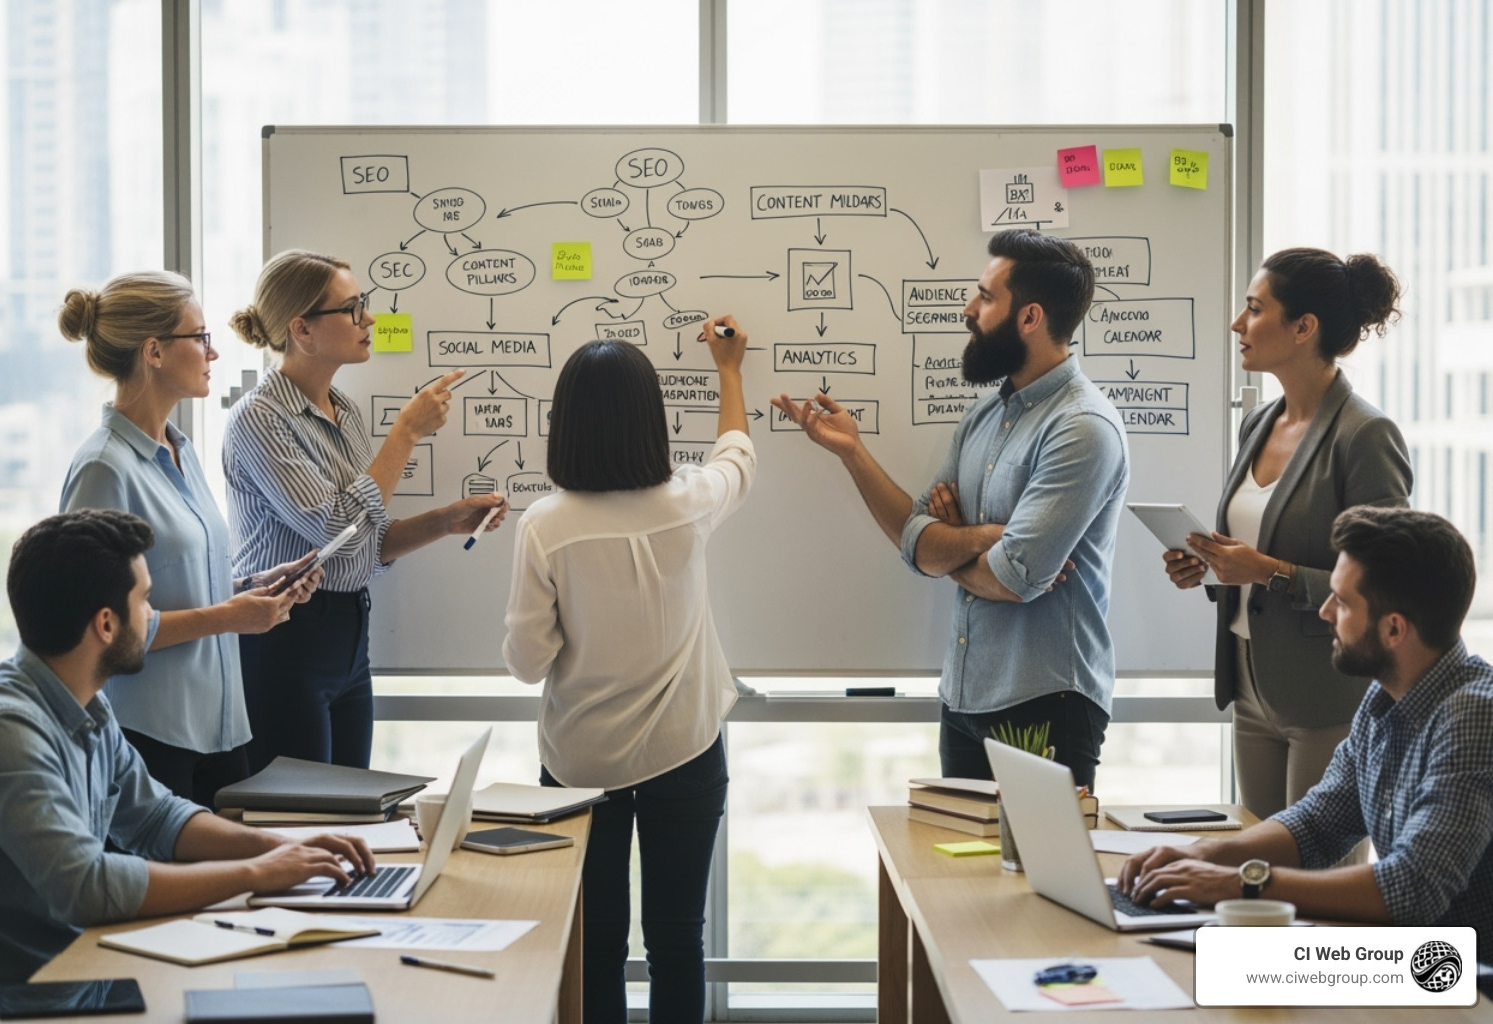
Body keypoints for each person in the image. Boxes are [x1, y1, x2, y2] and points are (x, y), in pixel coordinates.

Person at [0, 510, 375, 1024]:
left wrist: (283, 848)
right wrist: (255, 874)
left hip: (81, 972)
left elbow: (156, 818)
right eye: (145, 601)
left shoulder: (84, 702)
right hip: (12, 998)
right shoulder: (1, 731)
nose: (152, 615)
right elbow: (85, 887)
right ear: (106, 624)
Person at [773, 229, 1128, 787]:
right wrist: (980, 535)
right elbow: (917, 539)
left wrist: (955, 543)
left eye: (986, 297)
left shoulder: (1081, 428)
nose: (969, 310)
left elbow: (1015, 580)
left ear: (1029, 317)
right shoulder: (986, 416)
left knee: (1034, 876)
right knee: (954, 874)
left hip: (1045, 700)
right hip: (964, 696)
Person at [503, 317, 754, 1024]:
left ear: (565, 425)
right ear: (653, 420)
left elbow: (527, 662)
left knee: (596, 942)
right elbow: (738, 455)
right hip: (687, 749)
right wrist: (728, 371)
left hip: (581, 762)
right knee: (679, 939)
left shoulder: (546, 525)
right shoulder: (690, 501)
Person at [1122, 506, 1493, 962]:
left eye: (1342, 601)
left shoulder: (1475, 716)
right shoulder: (1383, 703)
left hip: (1467, 983)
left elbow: (1410, 889)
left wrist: (1240, 884)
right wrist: (1204, 854)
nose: (1324, 611)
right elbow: (1317, 825)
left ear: (1394, 628)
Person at [226, 249, 506, 772]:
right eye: (352, 309)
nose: (369, 319)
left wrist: (445, 521)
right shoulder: (258, 419)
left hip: (349, 634)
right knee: (301, 825)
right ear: (302, 330)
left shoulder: (344, 409)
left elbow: (365, 543)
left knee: (352, 812)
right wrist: (406, 433)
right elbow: (333, 527)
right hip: (287, 636)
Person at [1161, 248, 1411, 821]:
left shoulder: (1365, 435)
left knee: (1317, 887)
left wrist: (1268, 571)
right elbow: (1252, 549)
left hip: (1328, 696)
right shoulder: (1258, 422)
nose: (1236, 324)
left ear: (1304, 328)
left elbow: (1387, 588)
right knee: (1263, 881)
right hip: (1250, 683)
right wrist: (1210, 568)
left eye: (1253, 308)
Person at [57, 271, 321, 807]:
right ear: (153, 351)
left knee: (230, 890)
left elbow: (188, 579)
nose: (213, 352)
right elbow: (102, 627)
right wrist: (230, 617)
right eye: (199, 337)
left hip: (221, 732)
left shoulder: (182, 450)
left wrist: (255, 585)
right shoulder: (104, 468)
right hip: (148, 740)